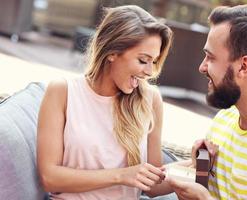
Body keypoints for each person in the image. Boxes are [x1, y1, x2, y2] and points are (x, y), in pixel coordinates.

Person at [37, 5, 173, 200]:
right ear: (112, 52)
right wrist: (121, 176)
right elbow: (49, 177)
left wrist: (193, 166)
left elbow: (152, 186)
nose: (150, 72)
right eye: (143, 60)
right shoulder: (63, 92)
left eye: (154, 61)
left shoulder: (150, 100)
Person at [166, 4, 247, 200]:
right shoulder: (226, 118)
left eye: (210, 57)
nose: (202, 67)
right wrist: (198, 169)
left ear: (243, 66)